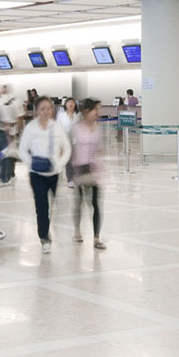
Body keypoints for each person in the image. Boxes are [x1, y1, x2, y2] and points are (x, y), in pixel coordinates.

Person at [16, 97, 71, 253]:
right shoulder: (31, 128)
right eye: (42, 109)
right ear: (37, 111)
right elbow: (22, 149)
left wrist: (60, 164)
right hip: (37, 174)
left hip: (54, 172)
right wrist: (31, 162)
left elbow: (66, 148)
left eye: (48, 108)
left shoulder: (57, 127)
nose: (46, 112)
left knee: (55, 205)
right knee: (41, 206)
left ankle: (49, 230)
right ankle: (44, 237)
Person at [69, 98, 105, 249]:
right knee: (79, 203)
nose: (97, 113)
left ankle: (96, 237)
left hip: (93, 168)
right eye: (95, 110)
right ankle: (77, 230)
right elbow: (70, 150)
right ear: (86, 111)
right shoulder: (76, 128)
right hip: (79, 168)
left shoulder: (97, 128)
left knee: (96, 204)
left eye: (98, 110)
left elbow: (99, 149)